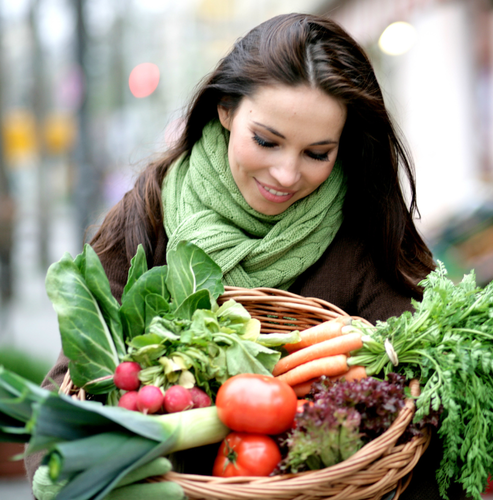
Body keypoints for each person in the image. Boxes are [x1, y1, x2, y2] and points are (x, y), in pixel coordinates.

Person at [26, 12, 467, 500]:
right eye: (266, 141)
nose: (285, 174)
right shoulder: (145, 215)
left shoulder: (368, 234)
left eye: (316, 154)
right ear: (226, 110)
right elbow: (64, 399)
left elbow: (434, 416)